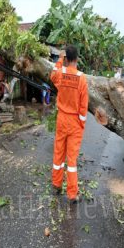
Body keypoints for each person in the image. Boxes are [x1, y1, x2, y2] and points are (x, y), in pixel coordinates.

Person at [50, 45, 88, 203]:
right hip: (74, 122)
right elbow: (84, 106)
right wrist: (81, 124)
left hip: (61, 119)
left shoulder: (60, 73)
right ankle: (72, 194)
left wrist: (59, 59)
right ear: (77, 59)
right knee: (71, 160)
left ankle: (56, 184)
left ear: (66, 59)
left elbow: (52, 75)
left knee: (58, 153)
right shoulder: (82, 78)